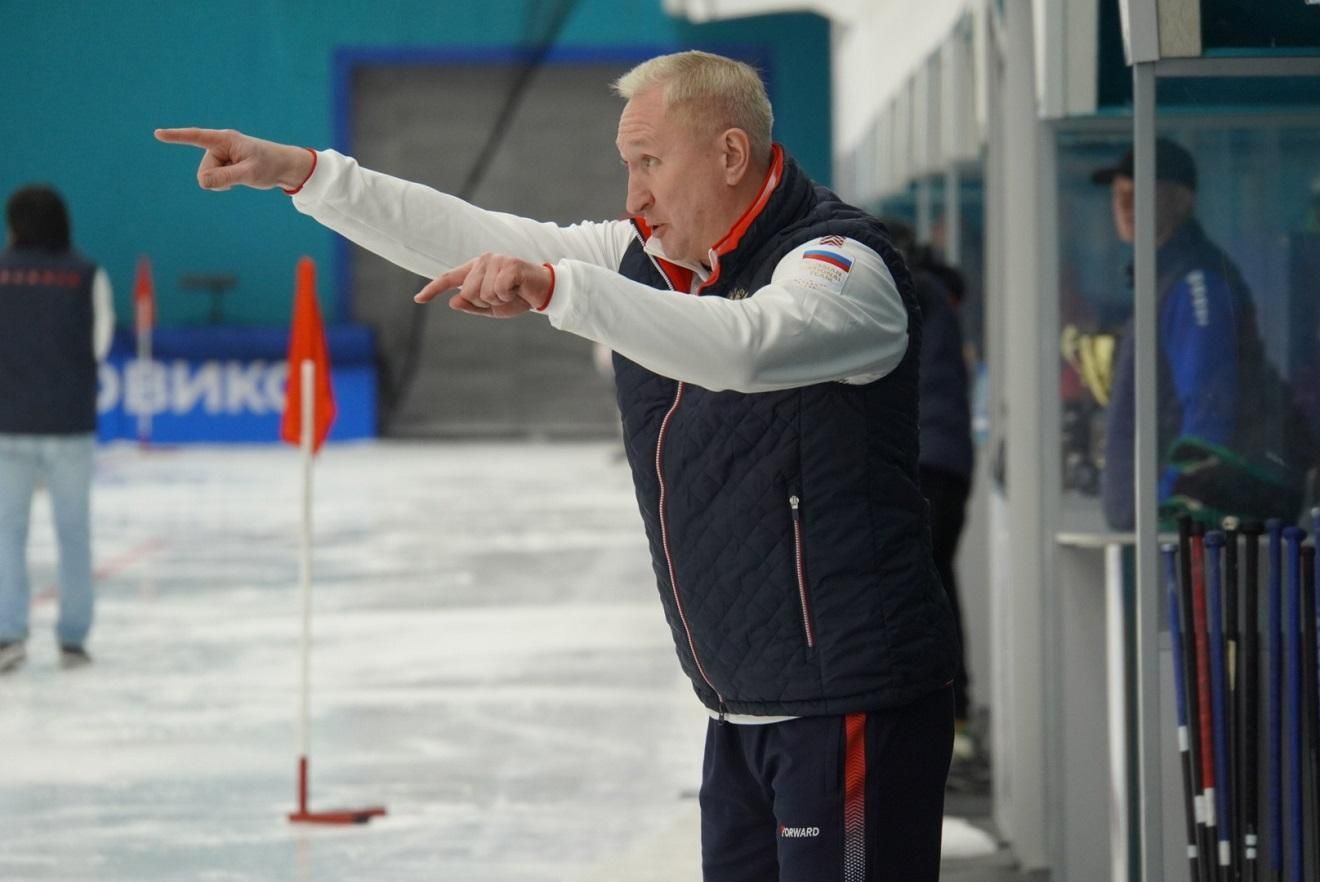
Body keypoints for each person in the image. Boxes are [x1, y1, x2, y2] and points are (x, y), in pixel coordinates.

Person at [157, 50, 957, 880]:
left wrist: (560, 293)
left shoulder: (840, 265)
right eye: (627, 166)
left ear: (729, 154)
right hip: (742, 709)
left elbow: (747, 347)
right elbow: (471, 235)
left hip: (851, 704)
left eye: (650, 162)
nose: (633, 196)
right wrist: (306, 174)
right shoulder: (652, 260)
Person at [1094, 138, 1308, 529]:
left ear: (1181, 200)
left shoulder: (1195, 279)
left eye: (1138, 191)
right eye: (1118, 193)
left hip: (1182, 532)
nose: (1124, 204)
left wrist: (1170, 509)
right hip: (1155, 530)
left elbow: (1208, 414)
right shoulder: (1160, 276)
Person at [0, 185, 114, 672]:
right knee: (73, 532)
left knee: (7, 533)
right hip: (70, 423)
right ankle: (73, 638)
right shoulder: (86, 273)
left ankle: (8, 633)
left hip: (8, 423)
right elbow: (99, 343)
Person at [878, 219, 976, 760]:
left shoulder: (911, 289)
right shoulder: (935, 291)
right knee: (936, 584)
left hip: (925, 459)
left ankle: (941, 713)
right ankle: (950, 710)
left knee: (922, 590)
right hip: (944, 459)